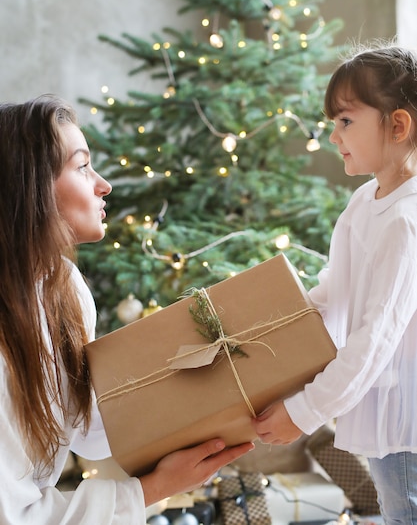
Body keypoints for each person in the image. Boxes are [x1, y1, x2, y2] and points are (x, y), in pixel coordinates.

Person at [0, 94, 254, 524]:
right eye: (82, 167)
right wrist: (154, 489)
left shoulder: (64, 287)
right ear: (31, 187)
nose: (104, 185)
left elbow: (92, 430)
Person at [253, 43, 417, 523]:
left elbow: (375, 337)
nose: (332, 135)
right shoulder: (364, 203)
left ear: (398, 125)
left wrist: (304, 412)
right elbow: (332, 294)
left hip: (405, 412)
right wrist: (263, 332)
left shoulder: (405, 221)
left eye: (346, 121)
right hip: (388, 399)